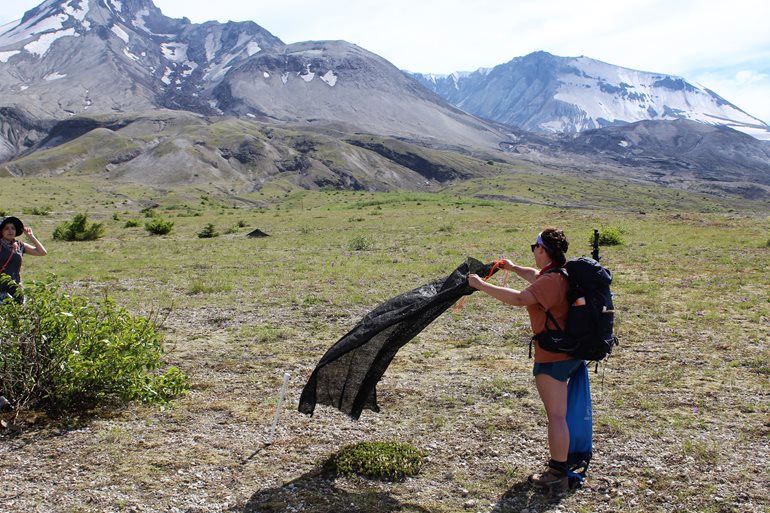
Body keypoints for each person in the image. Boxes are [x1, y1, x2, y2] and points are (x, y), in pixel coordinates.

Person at [468, 227, 581, 493]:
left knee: (556, 416)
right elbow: (535, 277)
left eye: (535, 247)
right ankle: (561, 466)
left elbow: (520, 298)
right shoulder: (561, 273)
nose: (533, 251)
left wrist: (481, 285)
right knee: (559, 414)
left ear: (543, 249)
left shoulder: (550, 281)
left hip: (553, 356)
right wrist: (513, 267)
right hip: (569, 352)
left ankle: (557, 474)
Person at [0, 216, 47, 303]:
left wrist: (31, 236)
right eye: (6, 228)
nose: (10, 231)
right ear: (1, 231)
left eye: (13, 228)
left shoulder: (20, 245)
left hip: (15, 289)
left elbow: (42, 252)